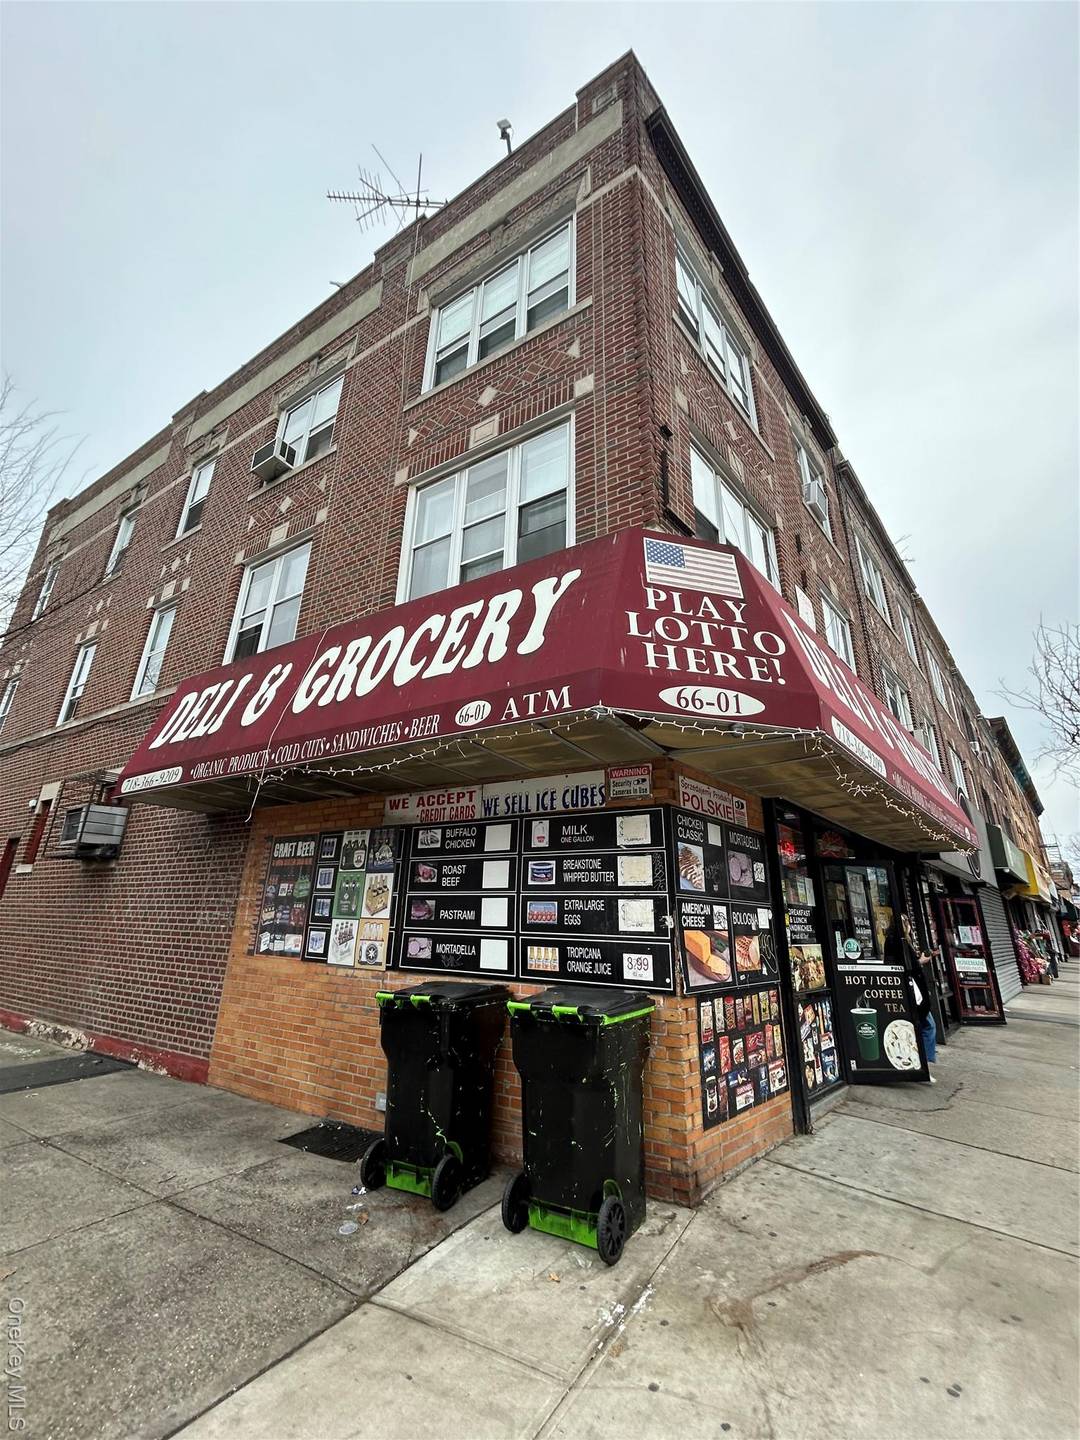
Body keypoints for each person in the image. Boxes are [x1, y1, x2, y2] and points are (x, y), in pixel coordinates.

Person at [899, 913, 938, 1082]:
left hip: (912, 992)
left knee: (920, 1027)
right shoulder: (902, 943)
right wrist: (921, 960)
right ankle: (922, 1064)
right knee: (927, 1025)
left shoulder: (903, 942)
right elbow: (908, 967)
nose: (909, 925)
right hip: (912, 993)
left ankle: (921, 1064)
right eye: (906, 922)